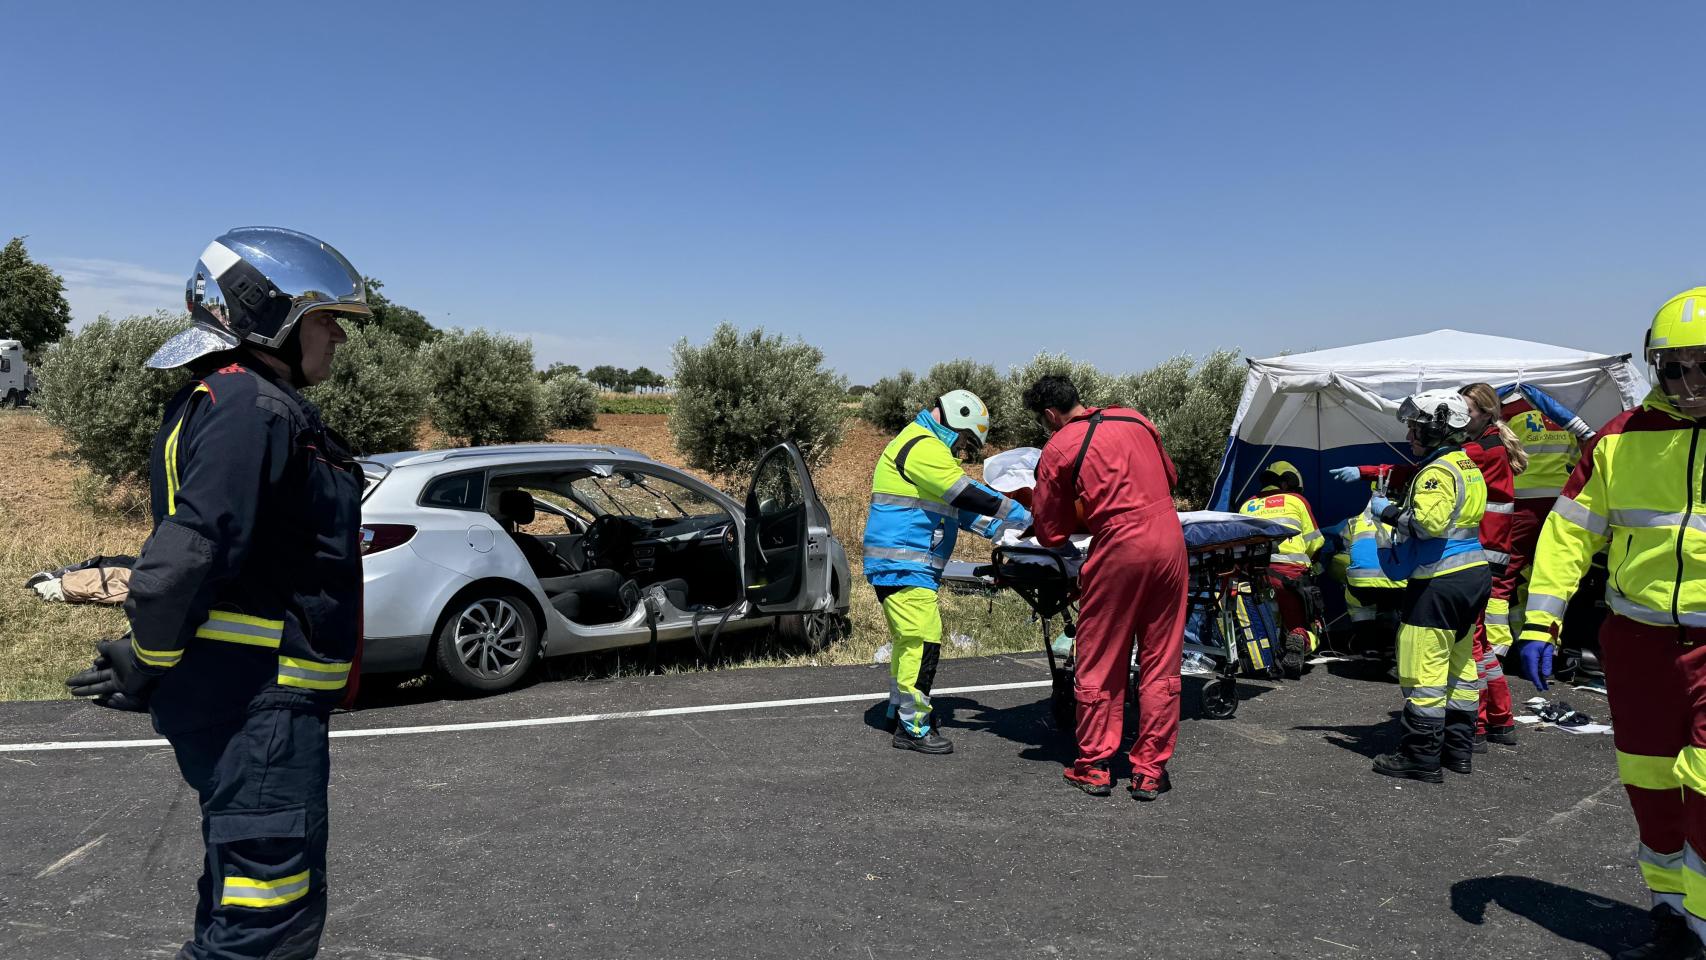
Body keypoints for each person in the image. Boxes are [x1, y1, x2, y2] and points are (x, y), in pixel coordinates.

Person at [67, 227, 369, 960]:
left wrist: (156, 662)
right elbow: (185, 559)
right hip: (257, 710)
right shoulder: (253, 409)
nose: (336, 336)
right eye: (325, 318)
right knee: (266, 925)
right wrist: (147, 655)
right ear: (271, 313)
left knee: (238, 905)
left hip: (246, 705)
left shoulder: (231, 401)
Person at [1516, 288, 1706, 960]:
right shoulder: (1621, 442)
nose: (1687, 384)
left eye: (1703, 366)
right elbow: (1569, 535)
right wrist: (1539, 621)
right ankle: (1669, 906)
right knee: (1650, 781)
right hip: (1637, 645)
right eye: (1673, 368)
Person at [1023, 375, 1188, 801]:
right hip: (1170, 541)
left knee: (1101, 658)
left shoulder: (1060, 446)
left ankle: (1095, 765)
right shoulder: (1136, 419)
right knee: (1161, 659)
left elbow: (1051, 532)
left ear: (1049, 414)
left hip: (1119, 549)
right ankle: (1150, 771)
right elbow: (1169, 477)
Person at [864, 389, 1031, 754]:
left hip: (901, 566)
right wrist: (1017, 512)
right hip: (903, 565)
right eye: (966, 437)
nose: (963, 447)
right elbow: (964, 492)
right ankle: (914, 728)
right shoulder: (923, 445)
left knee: (909, 643)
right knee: (923, 641)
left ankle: (898, 711)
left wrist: (998, 529)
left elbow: (953, 507)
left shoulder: (923, 445)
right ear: (958, 416)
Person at [1363, 389, 1490, 783]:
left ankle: (1420, 756)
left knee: (1424, 671)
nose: (1411, 436)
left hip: (1439, 581)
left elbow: (1426, 526)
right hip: (1472, 576)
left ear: (1438, 429)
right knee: (1461, 666)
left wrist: (1385, 510)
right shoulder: (1465, 465)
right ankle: (1458, 750)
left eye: (1417, 428)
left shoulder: (1435, 473)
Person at [1457, 383, 1525, 751]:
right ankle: (1500, 719)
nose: (1458, 418)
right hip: (1493, 555)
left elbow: (1438, 470)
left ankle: (1478, 722)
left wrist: (1374, 470)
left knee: (1470, 643)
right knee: (1481, 644)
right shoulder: (1493, 443)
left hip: (1479, 557)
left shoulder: (1479, 450)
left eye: (1464, 411)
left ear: (1484, 413)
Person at [1237, 461, 1325, 678]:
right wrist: (1311, 564)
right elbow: (1316, 542)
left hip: (1255, 576)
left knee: (1265, 620)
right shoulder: (1297, 500)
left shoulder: (1247, 505)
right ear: (1286, 482)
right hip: (1289, 576)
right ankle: (1298, 640)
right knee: (1303, 621)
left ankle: (1261, 655)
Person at [1323, 486, 1407, 661]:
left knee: (1356, 597)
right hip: (1398, 584)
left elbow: (1326, 538)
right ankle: (1395, 648)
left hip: (1362, 586)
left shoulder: (1355, 520)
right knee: (1404, 600)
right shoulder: (1406, 518)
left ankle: (1369, 649)